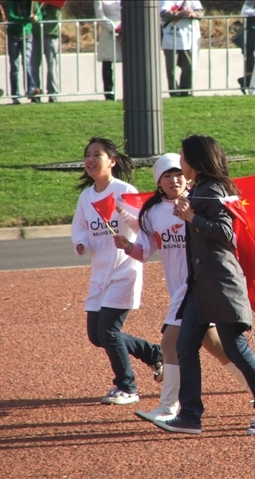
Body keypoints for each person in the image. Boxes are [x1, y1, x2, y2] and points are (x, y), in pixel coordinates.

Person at [114, 153, 255, 422]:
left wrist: (191, 215)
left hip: (198, 284)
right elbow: (144, 251)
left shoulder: (198, 201)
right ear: (158, 182)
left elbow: (223, 231)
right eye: (167, 176)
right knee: (214, 345)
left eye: (178, 174)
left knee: (171, 342)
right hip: (179, 287)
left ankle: (168, 407)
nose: (174, 180)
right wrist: (128, 246)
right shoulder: (152, 212)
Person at [153, 135, 255, 435]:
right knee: (185, 345)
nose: (180, 162)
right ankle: (190, 416)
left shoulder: (211, 189)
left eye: (183, 157)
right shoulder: (200, 189)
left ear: (195, 160)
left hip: (220, 282)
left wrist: (191, 216)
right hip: (201, 285)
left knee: (235, 347)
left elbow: (226, 232)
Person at [71, 137, 164, 406]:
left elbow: (144, 225)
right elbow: (80, 227)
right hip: (99, 273)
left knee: (109, 331)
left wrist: (125, 216)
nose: (90, 160)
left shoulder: (124, 190)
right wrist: (81, 242)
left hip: (124, 270)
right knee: (97, 335)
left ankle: (127, 387)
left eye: (97, 155)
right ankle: (154, 353)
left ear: (111, 161)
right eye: (87, 155)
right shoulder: (86, 196)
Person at [159, 1, 204, 98]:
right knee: (171, 69)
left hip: (187, 39)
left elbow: (201, 11)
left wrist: (193, 14)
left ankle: (185, 91)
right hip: (170, 38)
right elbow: (163, 13)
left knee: (188, 66)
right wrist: (181, 14)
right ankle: (174, 92)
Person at [28, 1, 61, 103]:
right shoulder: (35, 3)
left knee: (51, 65)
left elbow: (56, 19)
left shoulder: (55, 6)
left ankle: (52, 93)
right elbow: (33, 16)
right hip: (37, 34)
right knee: (34, 65)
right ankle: (36, 92)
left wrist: (48, 7)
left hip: (50, 35)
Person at [6, 0, 37, 104]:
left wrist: (36, 18)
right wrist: (25, 19)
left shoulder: (32, 2)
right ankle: (15, 95)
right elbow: (10, 16)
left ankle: (31, 89)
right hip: (13, 36)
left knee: (27, 62)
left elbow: (39, 15)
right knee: (14, 66)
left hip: (27, 35)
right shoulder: (11, 2)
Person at [94, 0, 121, 100]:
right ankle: (109, 92)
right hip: (108, 33)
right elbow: (100, 16)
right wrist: (113, 28)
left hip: (125, 30)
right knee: (107, 62)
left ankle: (131, 90)